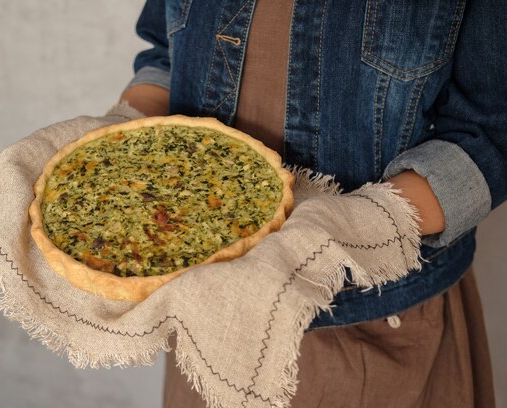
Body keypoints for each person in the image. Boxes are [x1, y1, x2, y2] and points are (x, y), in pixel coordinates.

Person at [120, 0, 506, 406]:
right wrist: (115, 142)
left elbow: (489, 130)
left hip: (379, 333)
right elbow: (165, 54)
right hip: (208, 325)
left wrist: (352, 228)